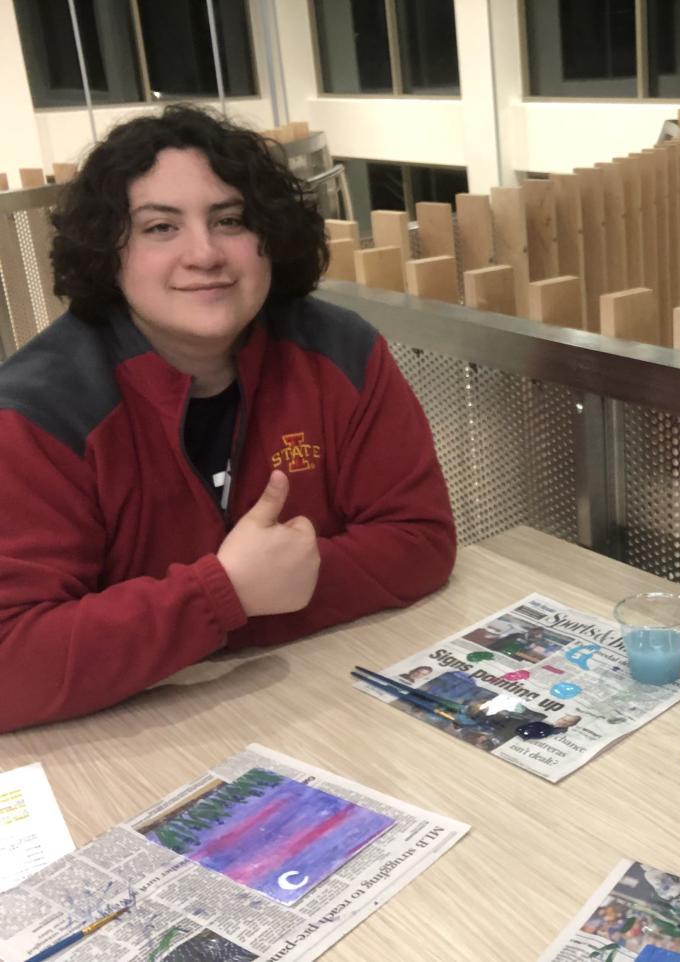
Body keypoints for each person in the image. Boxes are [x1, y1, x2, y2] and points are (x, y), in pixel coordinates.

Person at [0, 105, 456, 732]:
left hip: (315, 703)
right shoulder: (36, 413)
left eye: (230, 220)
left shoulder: (342, 350)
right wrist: (224, 595)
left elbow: (420, 539)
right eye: (161, 227)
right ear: (109, 252)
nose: (205, 253)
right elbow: (11, 665)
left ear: (269, 237)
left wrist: (232, 605)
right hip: (127, 739)